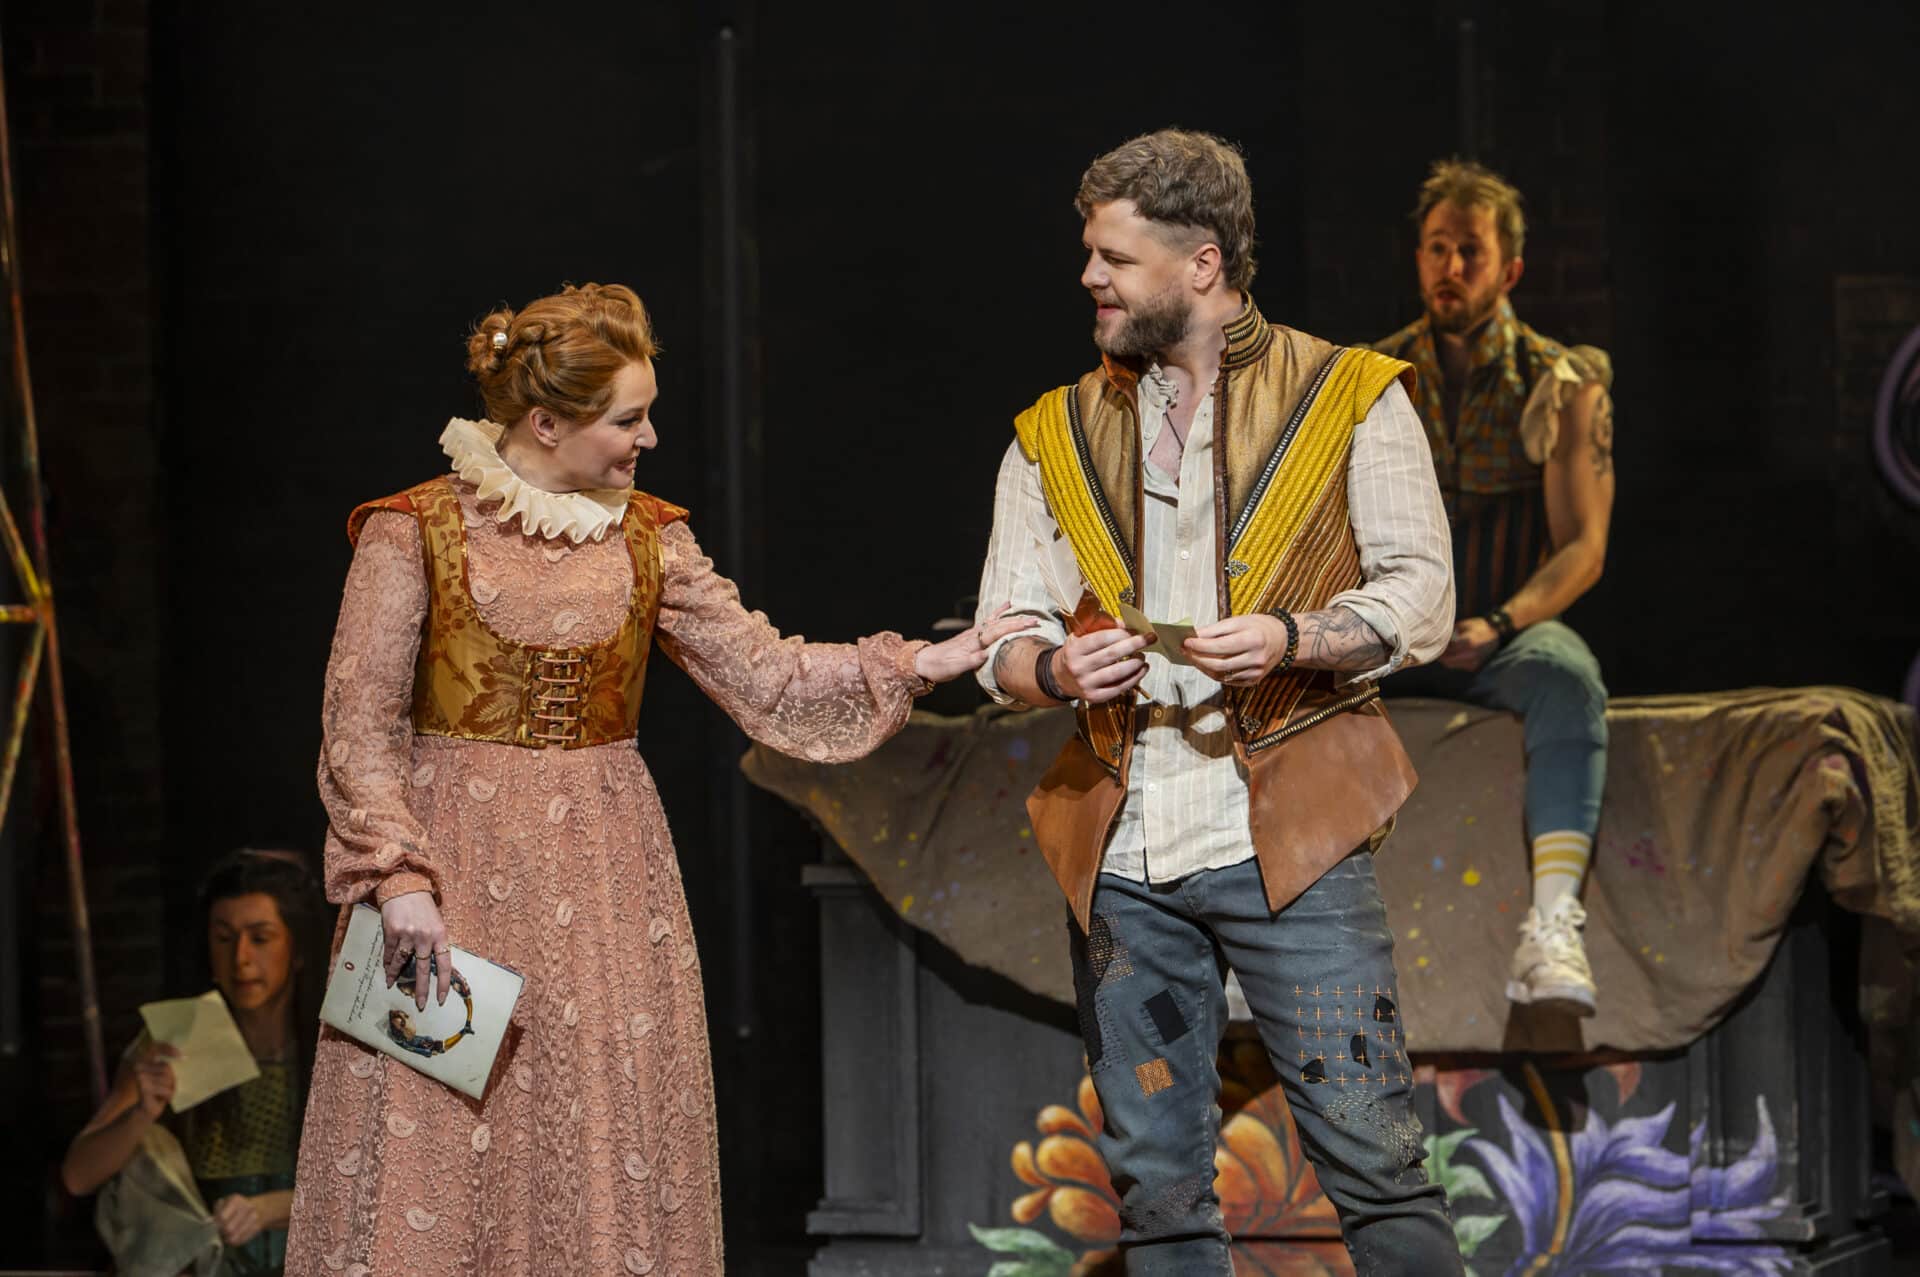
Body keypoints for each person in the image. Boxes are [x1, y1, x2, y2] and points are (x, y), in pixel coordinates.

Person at [282, 282, 1027, 1277]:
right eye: (629, 418)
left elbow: (762, 675)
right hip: (448, 875)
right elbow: (357, 721)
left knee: (592, 1136)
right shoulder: (411, 530)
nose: (652, 437)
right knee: (437, 1145)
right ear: (547, 421)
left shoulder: (648, 536)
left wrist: (914, 664)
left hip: (601, 880)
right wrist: (398, 876)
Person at [974, 130, 1461, 1275]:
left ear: (1202, 264)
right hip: (1125, 845)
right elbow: (1004, 635)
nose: (1089, 277)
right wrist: (1053, 669)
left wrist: (1295, 637)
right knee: (1158, 1195)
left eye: (1114, 257)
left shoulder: (1349, 396)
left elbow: (1422, 598)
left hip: (1289, 831)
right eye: (1089, 253)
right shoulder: (1050, 435)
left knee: (1377, 1167)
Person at [1371, 159, 1616, 1016]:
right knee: (1277, 678)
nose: (1450, 267)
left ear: (1509, 269)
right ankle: (1257, 938)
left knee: (1568, 675)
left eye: (1469, 251)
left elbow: (1583, 546)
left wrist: (1498, 618)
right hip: (1395, 633)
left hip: (1497, 633)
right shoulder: (1372, 377)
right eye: (1436, 248)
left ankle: (1553, 930)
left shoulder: (1559, 381)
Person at [63, 849, 329, 1277]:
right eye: (224, 937)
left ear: (297, 949)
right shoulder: (186, 1033)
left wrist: (274, 1208)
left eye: (260, 938)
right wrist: (141, 1113)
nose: (240, 958)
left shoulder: (331, 1044)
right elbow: (78, 1176)